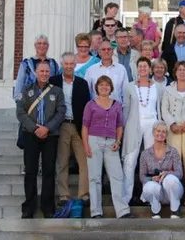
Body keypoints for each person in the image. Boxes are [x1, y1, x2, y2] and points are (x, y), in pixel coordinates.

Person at [17, 60, 66, 218]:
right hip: (30, 135)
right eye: (41, 71)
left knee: (48, 171)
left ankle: (48, 207)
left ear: (50, 73)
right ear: (36, 73)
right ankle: (29, 207)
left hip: (50, 135)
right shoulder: (26, 90)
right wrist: (34, 128)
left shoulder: (57, 91)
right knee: (30, 171)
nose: (44, 74)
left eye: (47, 71)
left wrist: (47, 128)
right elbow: (20, 112)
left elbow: (61, 112)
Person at [81, 75, 133, 219]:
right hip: (94, 141)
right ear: (97, 88)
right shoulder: (90, 104)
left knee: (117, 176)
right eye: (101, 85)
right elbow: (85, 127)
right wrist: (86, 145)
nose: (104, 87)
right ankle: (96, 212)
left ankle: (122, 211)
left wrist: (118, 141)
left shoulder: (117, 105)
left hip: (111, 143)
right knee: (95, 177)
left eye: (107, 85)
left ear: (111, 88)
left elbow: (119, 125)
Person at [50, 52, 91, 206]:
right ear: (62, 65)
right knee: (62, 161)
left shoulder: (82, 83)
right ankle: (64, 195)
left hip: (79, 126)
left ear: (75, 65)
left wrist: (86, 128)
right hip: (62, 125)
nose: (68, 66)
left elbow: (87, 106)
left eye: (71, 64)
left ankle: (83, 194)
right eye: (66, 64)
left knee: (84, 161)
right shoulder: (53, 82)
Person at [122, 57, 164, 206]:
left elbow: (160, 109)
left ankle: (148, 196)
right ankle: (126, 197)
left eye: (145, 66)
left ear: (150, 69)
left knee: (151, 161)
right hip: (134, 125)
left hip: (152, 126)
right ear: (137, 69)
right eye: (140, 66)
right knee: (130, 161)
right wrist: (124, 129)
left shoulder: (158, 87)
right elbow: (126, 109)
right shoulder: (129, 86)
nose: (142, 69)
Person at [139, 121, 185, 218]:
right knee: (149, 187)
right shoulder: (145, 154)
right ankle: (155, 210)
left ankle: (175, 210)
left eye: (164, 132)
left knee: (170, 179)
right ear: (153, 132)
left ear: (167, 135)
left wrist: (167, 173)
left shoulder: (173, 151)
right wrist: (151, 179)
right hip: (156, 191)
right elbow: (142, 176)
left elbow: (180, 173)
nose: (160, 134)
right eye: (158, 131)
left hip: (172, 191)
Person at [14, 34, 59, 100]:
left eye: (44, 44)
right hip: (30, 100)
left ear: (48, 46)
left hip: (49, 101)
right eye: (39, 43)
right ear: (35, 46)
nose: (42, 46)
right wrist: (18, 100)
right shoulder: (26, 64)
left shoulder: (53, 64)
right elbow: (19, 83)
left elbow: (57, 84)